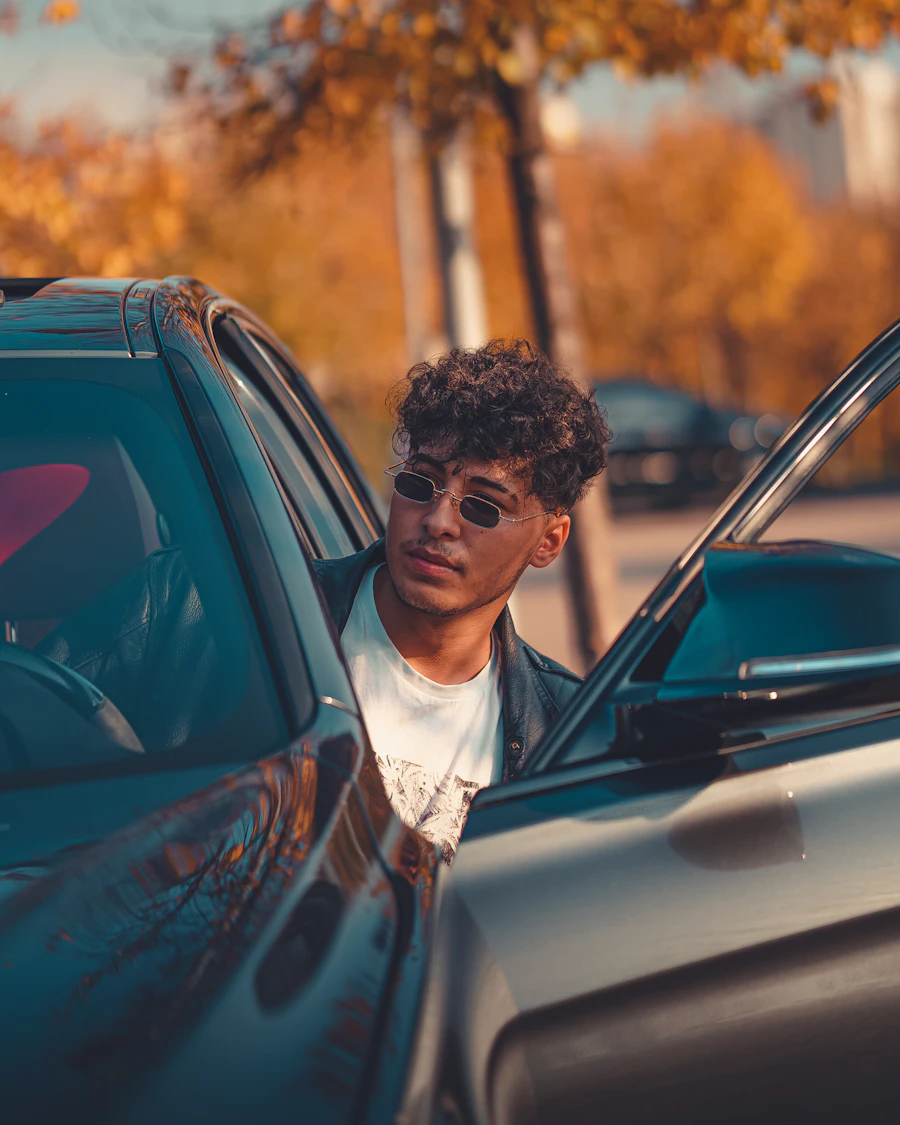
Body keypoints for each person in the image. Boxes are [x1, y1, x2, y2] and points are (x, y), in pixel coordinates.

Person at [315, 339, 610, 861]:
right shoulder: (253, 618)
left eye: (482, 508)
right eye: (419, 482)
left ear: (548, 541)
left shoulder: (567, 737)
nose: (438, 521)